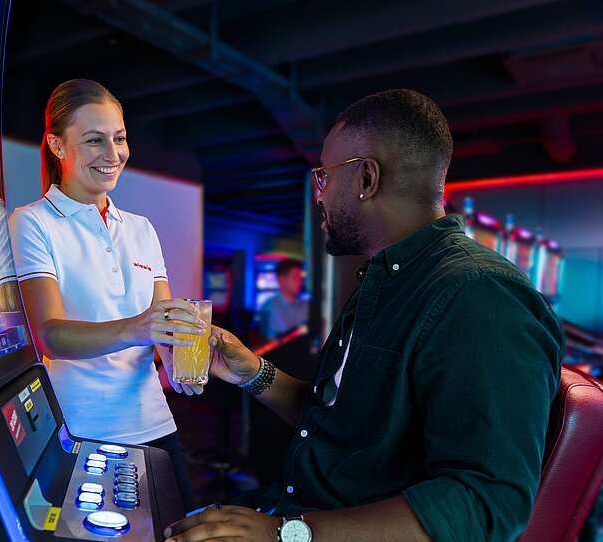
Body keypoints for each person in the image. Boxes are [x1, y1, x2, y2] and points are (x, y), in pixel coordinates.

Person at [163, 89, 563, 541]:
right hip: (296, 510)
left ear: (367, 179)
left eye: (324, 177)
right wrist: (253, 372)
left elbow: (485, 503)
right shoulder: (383, 280)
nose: (319, 196)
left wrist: (286, 534)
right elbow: (340, 423)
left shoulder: (480, 294)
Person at [9, 79, 205, 509]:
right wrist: (141, 327)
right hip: (83, 430)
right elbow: (51, 336)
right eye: (95, 140)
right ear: (57, 146)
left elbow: (163, 325)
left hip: (156, 423)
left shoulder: (141, 228)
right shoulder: (34, 222)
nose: (113, 154)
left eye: (119, 138)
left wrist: (178, 356)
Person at [257, 258, 309, 340]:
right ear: (281, 280)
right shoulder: (269, 307)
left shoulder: (305, 306)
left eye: (301, 277)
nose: (300, 282)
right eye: (295, 277)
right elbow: (265, 343)